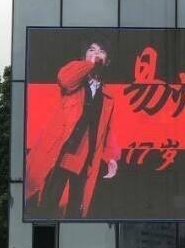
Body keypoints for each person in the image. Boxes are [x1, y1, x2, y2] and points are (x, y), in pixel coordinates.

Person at [26, 41, 120, 218]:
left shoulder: (108, 97)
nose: (96, 53)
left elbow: (106, 130)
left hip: (85, 159)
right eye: (91, 50)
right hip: (61, 154)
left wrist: (111, 158)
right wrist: (90, 64)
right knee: (48, 203)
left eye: (101, 51)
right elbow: (65, 78)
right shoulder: (75, 82)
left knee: (75, 209)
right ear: (84, 57)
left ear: (107, 60)